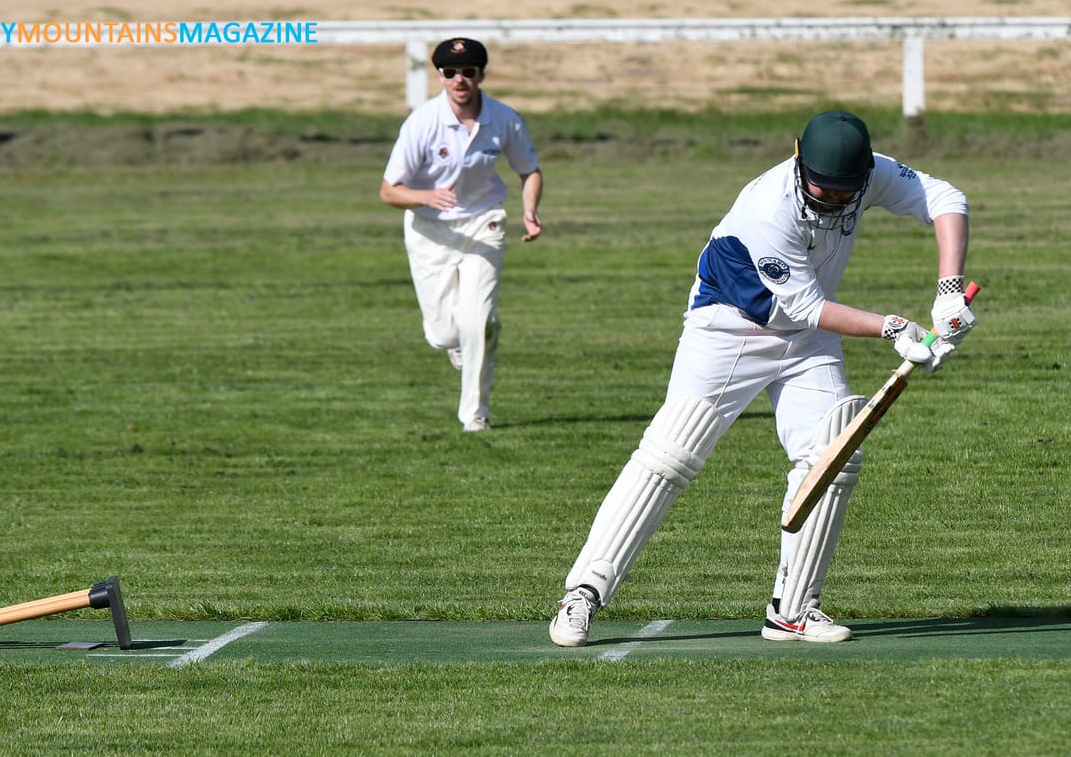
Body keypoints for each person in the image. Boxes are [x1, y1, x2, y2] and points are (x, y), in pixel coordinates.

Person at [549, 110, 977, 646]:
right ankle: (582, 594)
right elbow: (806, 305)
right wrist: (894, 327)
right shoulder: (767, 209)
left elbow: (947, 199)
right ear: (799, 158)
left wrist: (949, 289)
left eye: (848, 191)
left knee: (832, 456)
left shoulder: (868, 174)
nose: (837, 200)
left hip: (806, 342)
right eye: (825, 189)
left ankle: (794, 609)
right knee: (669, 455)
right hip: (729, 328)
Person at [380, 37, 543, 433]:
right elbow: (388, 191)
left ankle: (474, 415)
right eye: (450, 72)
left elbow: (529, 170)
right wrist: (425, 196)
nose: (459, 79)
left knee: (476, 319)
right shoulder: (422, 122)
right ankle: (468, 336)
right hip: (428, 231)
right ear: (440, 77)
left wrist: (529, 210)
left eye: (468, 72)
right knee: (443, 334)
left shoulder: (505, 119)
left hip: (483, 224)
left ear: (481, 75)